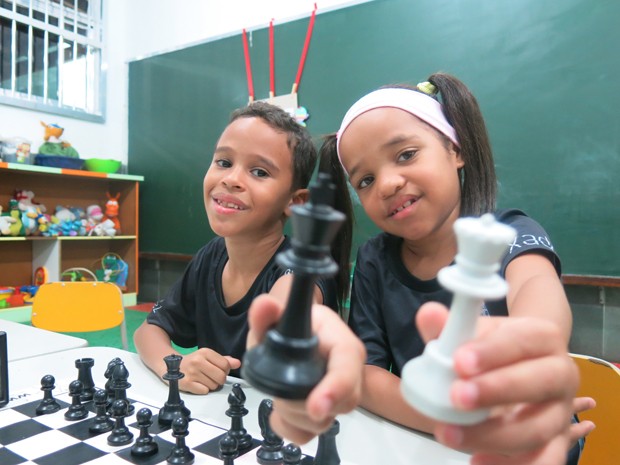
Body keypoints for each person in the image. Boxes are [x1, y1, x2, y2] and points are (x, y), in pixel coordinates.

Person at [248, 73, 594, 465]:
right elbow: (367, 373)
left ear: (455, 148)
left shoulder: (508, 233)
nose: (388, 184)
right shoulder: (374, 261)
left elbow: (536, 289)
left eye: (406, 154)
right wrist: (456, 424)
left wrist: (533, 345)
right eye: (365, 179)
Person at [134, 101, 351, 395]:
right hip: (220, 422)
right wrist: (174, 365)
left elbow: (285, 309)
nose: (231, 179)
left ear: (295, 202)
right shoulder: (210, 256)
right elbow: (147, 331)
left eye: (259, 172)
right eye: (223, 162)